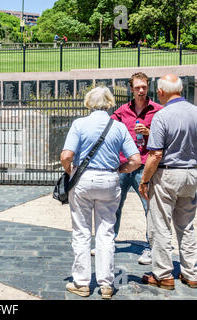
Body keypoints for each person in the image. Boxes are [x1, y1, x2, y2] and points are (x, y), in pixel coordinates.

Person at [61, 86, 141, 299]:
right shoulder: (119, 127)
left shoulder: (79, 124)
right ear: (109, 103)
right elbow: (135, 160)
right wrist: (119, 169)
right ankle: (106, 284)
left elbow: (66, 155)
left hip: (84, 180)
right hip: (109, 179)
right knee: (106, 232)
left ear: (88, 102)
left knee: (81, 231)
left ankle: (82, 282)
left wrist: (71, 173)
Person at [91, 72, 162, 264]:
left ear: (148, 87)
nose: (141, 90)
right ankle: (108, 243)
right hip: (124, 166)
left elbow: (166, 136)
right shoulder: (122, 111)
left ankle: (150, 247)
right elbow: (106, 129)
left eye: (144, 87)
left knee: (150, 208)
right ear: (131, 89)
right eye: (138, 87)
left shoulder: (158, 110)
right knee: (114, 206)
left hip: (146, 166)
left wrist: (150, 133)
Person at [139, 74, 197, 290]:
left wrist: (144, 180)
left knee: (161, 224)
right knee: (187, 225)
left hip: (168, 174)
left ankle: (163, 274)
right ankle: (191, 273)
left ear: (161, 92)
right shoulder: (195, 112)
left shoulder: (162, 116)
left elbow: (155, 154)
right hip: (192, 173)